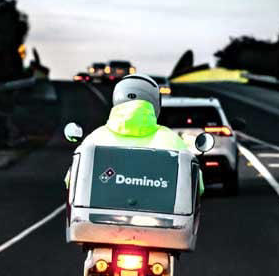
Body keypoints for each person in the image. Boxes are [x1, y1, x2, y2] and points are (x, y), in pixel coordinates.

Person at [67, 73, 204, 194]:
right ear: (156, 102)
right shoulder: (172, 140)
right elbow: (198, 186)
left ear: (116, 99)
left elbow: (71, 181)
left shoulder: (95, 138)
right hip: (160, 220)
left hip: (97, 220)